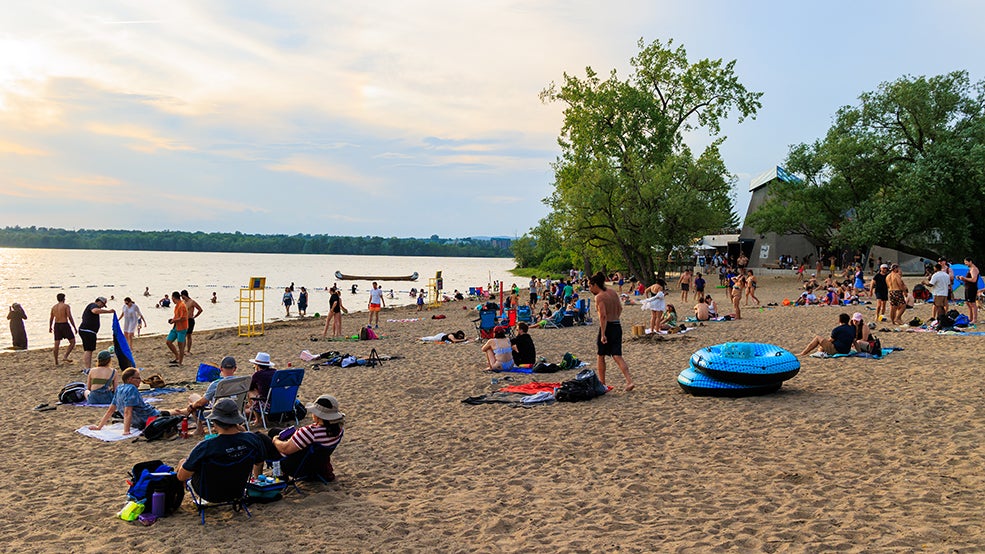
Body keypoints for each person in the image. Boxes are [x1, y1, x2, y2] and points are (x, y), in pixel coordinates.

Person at [176, 398, 272, 494]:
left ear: (215, 421)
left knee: (183, 463)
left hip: (209, 493)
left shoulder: (206, 447)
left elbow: (182, 476)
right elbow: (259, 462)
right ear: (236, 420)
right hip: (238, 489)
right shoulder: (252, 439)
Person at [269, 395, 345, 481]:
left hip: (297, 469)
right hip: (317, 465)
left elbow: (285, 449)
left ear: (318, 415)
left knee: (269, 442)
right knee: (274, 431)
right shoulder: (339, 430)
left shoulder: (309, 432)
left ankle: (279, 475)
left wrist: (275, 440)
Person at [90, 368, 170, 435]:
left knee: (169, 411)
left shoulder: (119, 388)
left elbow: (111, 410)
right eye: (138, 378)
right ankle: (182, 411)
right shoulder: (132, 389)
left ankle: (182, 411)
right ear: (130, 379)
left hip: (139, 418)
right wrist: (126, 431)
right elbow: (127, 411)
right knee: (172, 412)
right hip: (146, 416)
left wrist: (99, 427)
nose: (140, 380)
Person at [589, 272, 634, 391]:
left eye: (590, 286)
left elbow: (602, 316)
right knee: (617, 355)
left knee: (600, 355)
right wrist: (615, 318)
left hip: (607, 326)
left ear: (595, 285)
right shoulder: (613, 292)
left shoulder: (599, 296)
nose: (590, 288)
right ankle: (629, 381)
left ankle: (602, 383)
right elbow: (620, 308)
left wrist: (603, 334)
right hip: (617, 324)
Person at [178, 356, 239, 436]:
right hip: (237, 410)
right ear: (235, 368)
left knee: (193, 399)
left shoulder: (217, 384)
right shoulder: (242, 381)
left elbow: (201, 403)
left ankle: (199, 429)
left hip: (217, 412)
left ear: (220, 369)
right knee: (195, 399)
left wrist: (192, 406)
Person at [78, 296, 115, 370]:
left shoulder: (93, 306)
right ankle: (87, 368)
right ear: (99, 302)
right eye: (102, 305)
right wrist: (108, 311)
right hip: (87, 331)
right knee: (88, 350)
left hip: (88, 331)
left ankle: (88, 367)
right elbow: (95, 311)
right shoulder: (93, 305)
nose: (102, 307)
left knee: (89, 350)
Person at [248, 352, 277, 424]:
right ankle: (264, 418)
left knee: (249, 392)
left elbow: (249, 387)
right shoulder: (275, 372)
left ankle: (258, 419)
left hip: (268, 404)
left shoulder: (258, 375)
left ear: (257, 365)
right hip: (279, 402)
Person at [49, 293, 77, 365]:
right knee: (72, 341)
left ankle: (56, 361)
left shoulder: (54, 307)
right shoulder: (66, 306)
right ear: (64, 299)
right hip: (64, 324)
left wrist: (50, 327)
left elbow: (51, 318)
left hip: (57, 325)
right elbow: (69, 316)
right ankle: (65, 356)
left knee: (56, 344)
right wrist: (74, 327)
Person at [165, 291, 188, 366]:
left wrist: (174, 320)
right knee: (168, 341)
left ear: (174, 298)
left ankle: (180, 362)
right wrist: (172, 320)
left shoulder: (182, 305)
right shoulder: (177, 305)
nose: (172, 300)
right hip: (176, 327)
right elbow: (177, 316)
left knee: (180, 345)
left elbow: (183, 317)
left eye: (172, 298)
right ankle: (177, 356)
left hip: (182, 328)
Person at [181, 290, 204, 355]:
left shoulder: (192, 302)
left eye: (182, 296)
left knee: (188, 335)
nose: (181, 297)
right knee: (183, 335)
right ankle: (183, 350)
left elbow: (200, 309)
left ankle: (188, 350)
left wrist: (195, 316)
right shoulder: (183, 302)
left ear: (184, 295)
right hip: (184, 320)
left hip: (190, 320)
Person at [958, 258, 979, 324]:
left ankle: (974, 319)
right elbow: (969, 279)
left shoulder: (974, 269)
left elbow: (974, 280)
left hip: (972, 288)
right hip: (968, 287)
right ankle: (971, 318)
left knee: (972, 303)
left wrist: (964, 278)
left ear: (970, 262)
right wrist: (961, 278)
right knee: (968, 303)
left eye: (966, 262)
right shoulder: (970, 269)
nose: (965, 264)